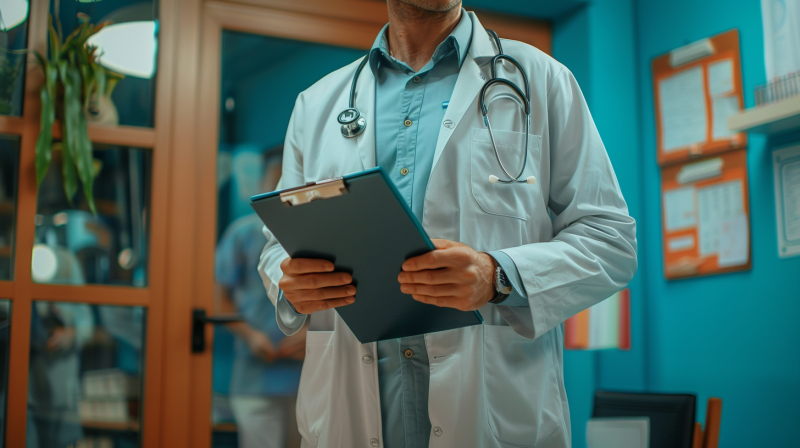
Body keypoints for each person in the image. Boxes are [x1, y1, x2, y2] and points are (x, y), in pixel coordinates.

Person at [258, 2, 638, 447]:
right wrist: (290, 285)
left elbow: (611, 240)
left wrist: (497, 276)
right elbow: (278, 245)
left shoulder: (541, 79)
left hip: (488, 412)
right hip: (352, 412)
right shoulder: (317, 104)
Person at [215, 147, 305, 448]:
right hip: (254, 379)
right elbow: (218, 299)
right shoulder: (242, 234)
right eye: (275, 177)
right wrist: (250, 335)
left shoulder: (317, 232)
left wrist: (311, 336)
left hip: (307, 377)